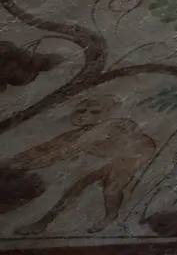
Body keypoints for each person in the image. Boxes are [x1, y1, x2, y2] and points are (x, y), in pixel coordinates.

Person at [3, 94, 157, 234]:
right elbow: (45, 148)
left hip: (129, 158)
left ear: (108, 112)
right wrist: (12, 161)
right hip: (108, 158)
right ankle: (42, 223)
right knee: (75, 186)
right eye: (81, 111)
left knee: (111, 191)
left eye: (94, 112)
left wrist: (23, 165)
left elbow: (58, 154)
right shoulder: (79, 133)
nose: (84, 116)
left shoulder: (113, 125)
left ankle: (111, 215)